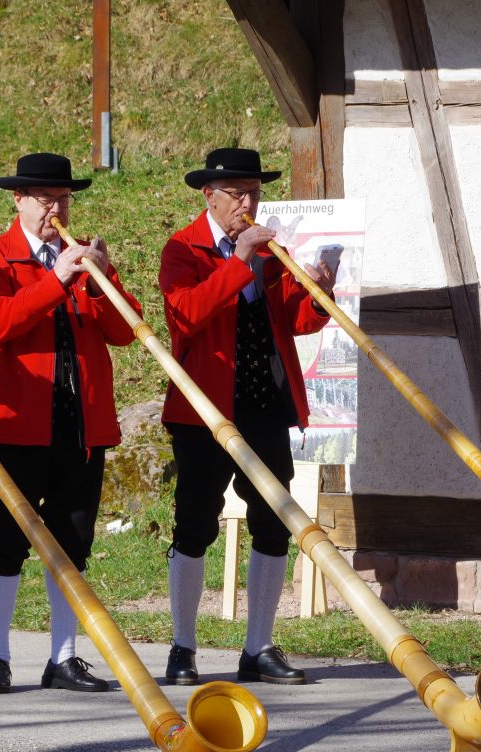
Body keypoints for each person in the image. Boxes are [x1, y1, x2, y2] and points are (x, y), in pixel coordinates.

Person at [158, 148, 336, 687]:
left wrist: (319, 293)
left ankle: (258, 646)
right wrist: (238, 261)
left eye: (255, 192)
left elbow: (295, 322)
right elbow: (186, 314)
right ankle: (183, 647)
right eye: (237, 193)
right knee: (195, 524)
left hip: (263, 404)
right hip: (204, 409)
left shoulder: (270, 250)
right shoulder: (183, 248)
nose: (248, 203)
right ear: (209, 196)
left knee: (273, 520)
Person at [0, 153, 142, 695]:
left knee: (72, 542)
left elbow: (125, 331)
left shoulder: (84, 256)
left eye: (63, 198)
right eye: (44, 198)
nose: (56, 208)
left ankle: (63, 658)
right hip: (14, 424)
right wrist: (57, 279)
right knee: (5, 540)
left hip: (80, 422)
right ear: (18, 199)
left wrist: (101, 279)